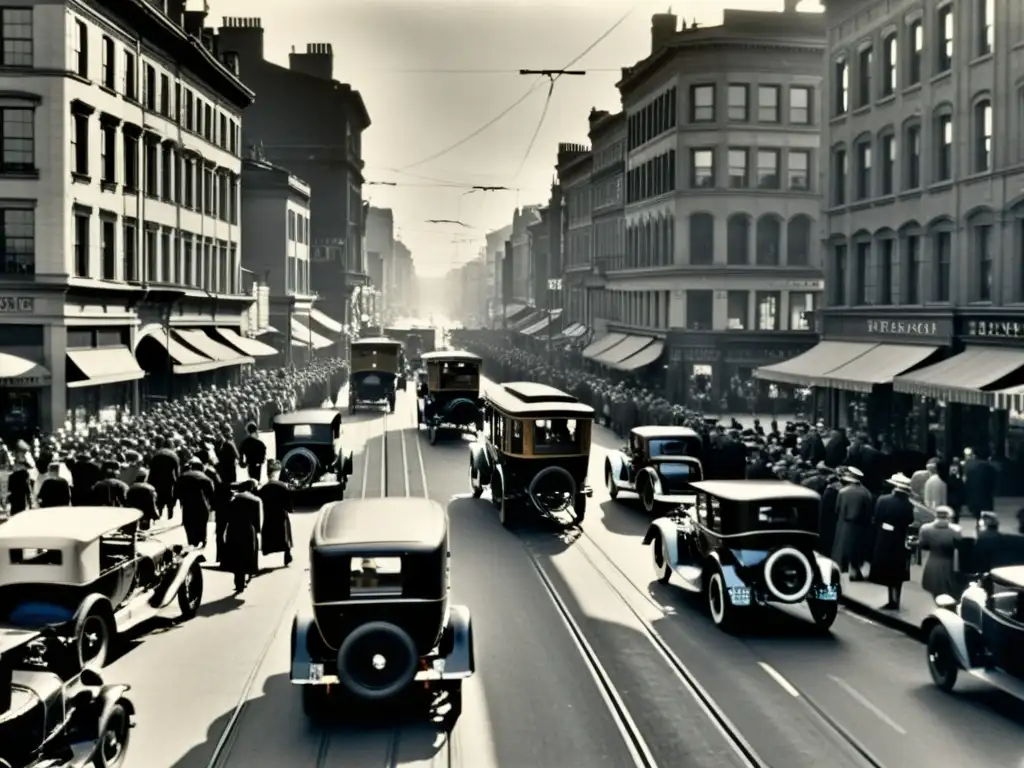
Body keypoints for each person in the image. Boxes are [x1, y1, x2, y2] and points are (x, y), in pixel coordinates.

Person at [870, 474, 917, 610]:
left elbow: (877, 518)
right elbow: (909, 521)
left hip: (884, 537)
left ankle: (891, 599)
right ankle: (896, 598)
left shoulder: (883, 500)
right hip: (899, 539)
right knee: (897, 572)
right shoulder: (908, 505)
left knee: (886, 570)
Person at [832, 466, 873, 580]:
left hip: (843, 524)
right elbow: (869, 512)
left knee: (842, 549)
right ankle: (854, 570)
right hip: (860, 526)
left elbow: (837, 509)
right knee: (857, 550)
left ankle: (843, 570)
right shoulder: (866, 493)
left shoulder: (842, 492)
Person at [224, 479, 262, 592]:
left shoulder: (233, 499)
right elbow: (258, 521)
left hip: (233, 529)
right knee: (248, 555)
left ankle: (238, 581)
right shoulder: (255, 500)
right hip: (248, 530)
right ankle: (247, 576)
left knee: (236, 555)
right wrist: (258, 531)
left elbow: (226, 517)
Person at [919, 505, 961, 598]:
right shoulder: (955, 530)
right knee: (948, 589)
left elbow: (923, 545)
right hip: (948, 562)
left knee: (933, 589)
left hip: (932, 561)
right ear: (948, 516)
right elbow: (959, 546)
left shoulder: (925, 528)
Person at [258, 460, 293, 566]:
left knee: (269, 532)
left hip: (268, 515)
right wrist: (290, 509)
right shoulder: (283, 486)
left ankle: (267, 548)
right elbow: (289, 504)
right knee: (285, 533)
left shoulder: (264, 488)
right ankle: (287, 553)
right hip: (281, 514)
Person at [175, 457, 215, 548]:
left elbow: (176, 490)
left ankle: (192, 541)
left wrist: (177, 499)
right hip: (201, 504)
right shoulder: (205, 478)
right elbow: (211, 494)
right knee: (202, 523)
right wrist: (213, 505)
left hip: (188, 504)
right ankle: (202, 540)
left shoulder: (183, 475)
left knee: (189, 523)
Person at [149, 438, 181, 521]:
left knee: (159, 495)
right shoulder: (173, 455)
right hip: (169, 478)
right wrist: (178, 480)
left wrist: (150, 480)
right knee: (169, 495)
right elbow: (177, 470)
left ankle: (160, 512)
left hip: (157, 478)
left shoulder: (157, 454)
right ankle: (170, 514)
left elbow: (151, 468)